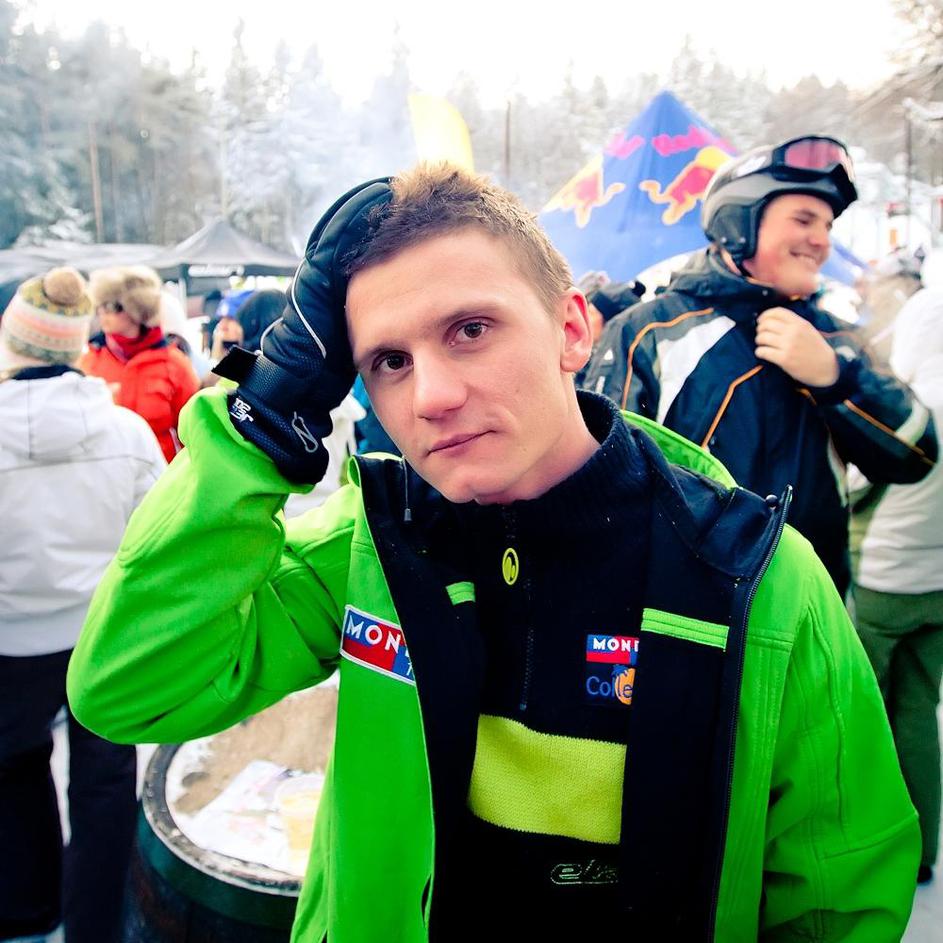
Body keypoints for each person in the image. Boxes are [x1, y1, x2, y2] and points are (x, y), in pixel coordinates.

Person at [68, 165, 919, 942]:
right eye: (388, 361)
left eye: (470, 329)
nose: (431, 395)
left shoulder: (756, 580)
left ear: (571, 330)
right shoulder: (372, 544)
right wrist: (260, 420)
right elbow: (129, 688)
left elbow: (836, 901)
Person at [581, 136, 937, 598]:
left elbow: (916, 455)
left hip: (815, 613)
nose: (822, 242)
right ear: (739, 222)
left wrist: (835, 380)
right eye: (804, 220)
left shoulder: (836, 338)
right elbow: (601, 485)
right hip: (690, 616)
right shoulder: (649, 332)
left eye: (828, 226)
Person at [0, 267, 165, 943]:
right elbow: (155, 542)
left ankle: (29, 911)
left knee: (14, 768)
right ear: (76, 343)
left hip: (9, 644)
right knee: (105, 780)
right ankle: (96, 925)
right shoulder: (127, 433)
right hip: (102, 634)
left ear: (14, 342)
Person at [851, 246, 943, 887]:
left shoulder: (911, 412)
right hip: (939, 584)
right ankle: (923, 850)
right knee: (917, 710)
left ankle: (872, 848)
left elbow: (859, 483)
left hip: (884, 579)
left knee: (863, 716)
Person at [78, 266, 200, 463]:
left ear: (137, 309)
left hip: (159, 474)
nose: (102, 313)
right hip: (105, 471)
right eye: (100, 305)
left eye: (112, 306)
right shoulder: (90, 361)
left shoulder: (174, 365)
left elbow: (194, 434)